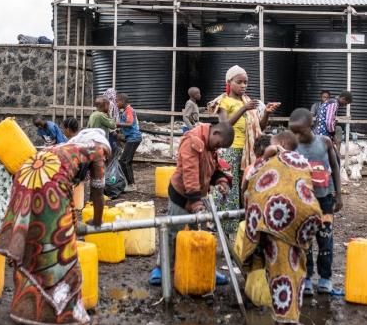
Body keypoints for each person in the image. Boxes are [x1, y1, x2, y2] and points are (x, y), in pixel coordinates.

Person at [0, 128, 110, 325]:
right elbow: (98, 193)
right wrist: (97, 221)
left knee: (32, 246)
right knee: (62, 253)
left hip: (26, 176)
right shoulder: (98, 149)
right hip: (48, 184)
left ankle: (24, 310)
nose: (105, 158)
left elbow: (65, 189)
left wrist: (73, 222)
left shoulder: (65, 147)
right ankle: (72, 318)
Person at [237, 130, 323, 325]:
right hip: (297, 225)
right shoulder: (301, 160)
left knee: (278, 273)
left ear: (281, 143)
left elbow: (248, 184)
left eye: (273, 142)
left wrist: (269, 153)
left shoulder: (268, 161)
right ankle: (290, 320)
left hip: (273, 225)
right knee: (296, 270)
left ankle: (284, 322)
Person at [148, 121, 235, 287]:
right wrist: (195, 203)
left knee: (199, 235)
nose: (218, 148)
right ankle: (162, 267)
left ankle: (203, 267)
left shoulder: (210, 145)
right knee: (173, 231)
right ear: (215, 133)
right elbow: (190, 173)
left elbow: (213, 168)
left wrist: (221, 181)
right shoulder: (193, 141)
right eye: (218, 144)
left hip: (198, 194)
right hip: (181, 194)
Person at [208, 65, 280, 234]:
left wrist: (267, 113)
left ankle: (245, 224)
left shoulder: (248, 101)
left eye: (245, 82)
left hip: (249, 152)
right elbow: (225, 125)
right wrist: (242, 109)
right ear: (229, 82)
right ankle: (226, 228)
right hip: (230, 150)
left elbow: (259, 127)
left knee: (246, 187)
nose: (243, 85)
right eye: (239, 82)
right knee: (229, 189)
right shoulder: (224, 101)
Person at [288, 108, 343, 296]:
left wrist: (339, 194)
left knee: (325, 238)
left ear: (310, 125)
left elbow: (335, 167)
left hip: (325, 199)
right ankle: (308, 278)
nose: (296, 135)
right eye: (293, 131)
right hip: (303, 201)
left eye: (299, 131)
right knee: (305, 240)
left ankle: (325, 279)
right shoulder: (292, 145)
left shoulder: (325, 142)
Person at [116, 93, 141, 193]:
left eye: (117, 101)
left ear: (122, 101)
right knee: (126, 161)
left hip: (134, 138)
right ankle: (130, 183)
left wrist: (117, 124)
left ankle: (131, 185)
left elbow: (130, 123)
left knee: (124, 161)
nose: (116, 103)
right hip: (131, 138)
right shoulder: (126, 110)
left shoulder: (129, 110)